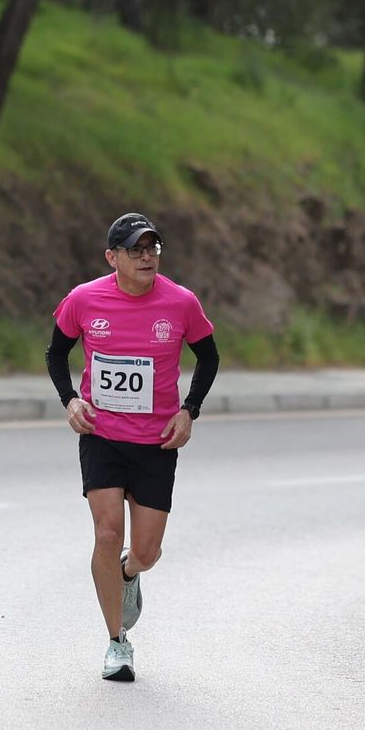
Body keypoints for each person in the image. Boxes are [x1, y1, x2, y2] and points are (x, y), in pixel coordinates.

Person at [45, 212, 220, 682]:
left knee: (147, 551)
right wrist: (71, 400)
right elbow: (56, 352)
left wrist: (189, 410)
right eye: (135, 250)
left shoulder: (181, 303)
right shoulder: (84, 299)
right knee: (106, 533)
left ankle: (129, 574)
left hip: (156, 443)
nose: (146, 257)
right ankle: (117, 643)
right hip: (101, 435)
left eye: (153, 249)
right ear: (112, 257)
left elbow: (208, 355)